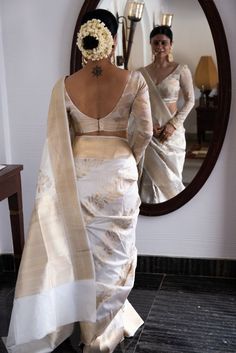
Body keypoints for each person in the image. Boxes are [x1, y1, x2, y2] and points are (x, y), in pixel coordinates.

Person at [3, 8, 153, 353]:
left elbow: (60, 138)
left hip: (80, 175)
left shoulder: (65, 85)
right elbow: (144, 131)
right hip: (118, 170)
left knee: (82, 251)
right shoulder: (134, 80)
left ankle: (86, 324)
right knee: (114, 253)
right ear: (112, 37)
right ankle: (101, 331)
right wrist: (130, 156)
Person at [138, 25, 195, 203]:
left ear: (171, 45)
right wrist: (148, 126)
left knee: (171, 181)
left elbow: (190, 100)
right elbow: (137, 104)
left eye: (164, 43)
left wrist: (173, 125)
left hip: (172, 135)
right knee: (148, 181)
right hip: (150, 133)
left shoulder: (181, 70)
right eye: (156, 43)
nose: (160, 46)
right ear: (150, 44)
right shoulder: (141, 73)